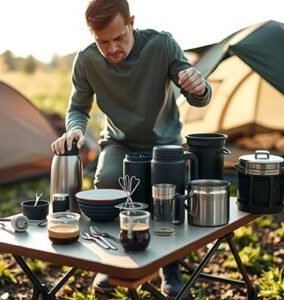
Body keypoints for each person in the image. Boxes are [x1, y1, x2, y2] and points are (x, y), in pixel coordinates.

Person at [51, 0, 212, 297]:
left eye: (119, 38)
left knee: (167, 198)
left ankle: (170, 265)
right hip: (119, 142)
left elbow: (198, 96)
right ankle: (112, 261)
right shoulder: (86, 60)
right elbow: (78, 108)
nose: (112, 49)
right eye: (102, 42)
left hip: (165, 144)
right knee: (108, 183)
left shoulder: (162, 45)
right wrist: (75, 129)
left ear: (131, 23)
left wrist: (199, 87)